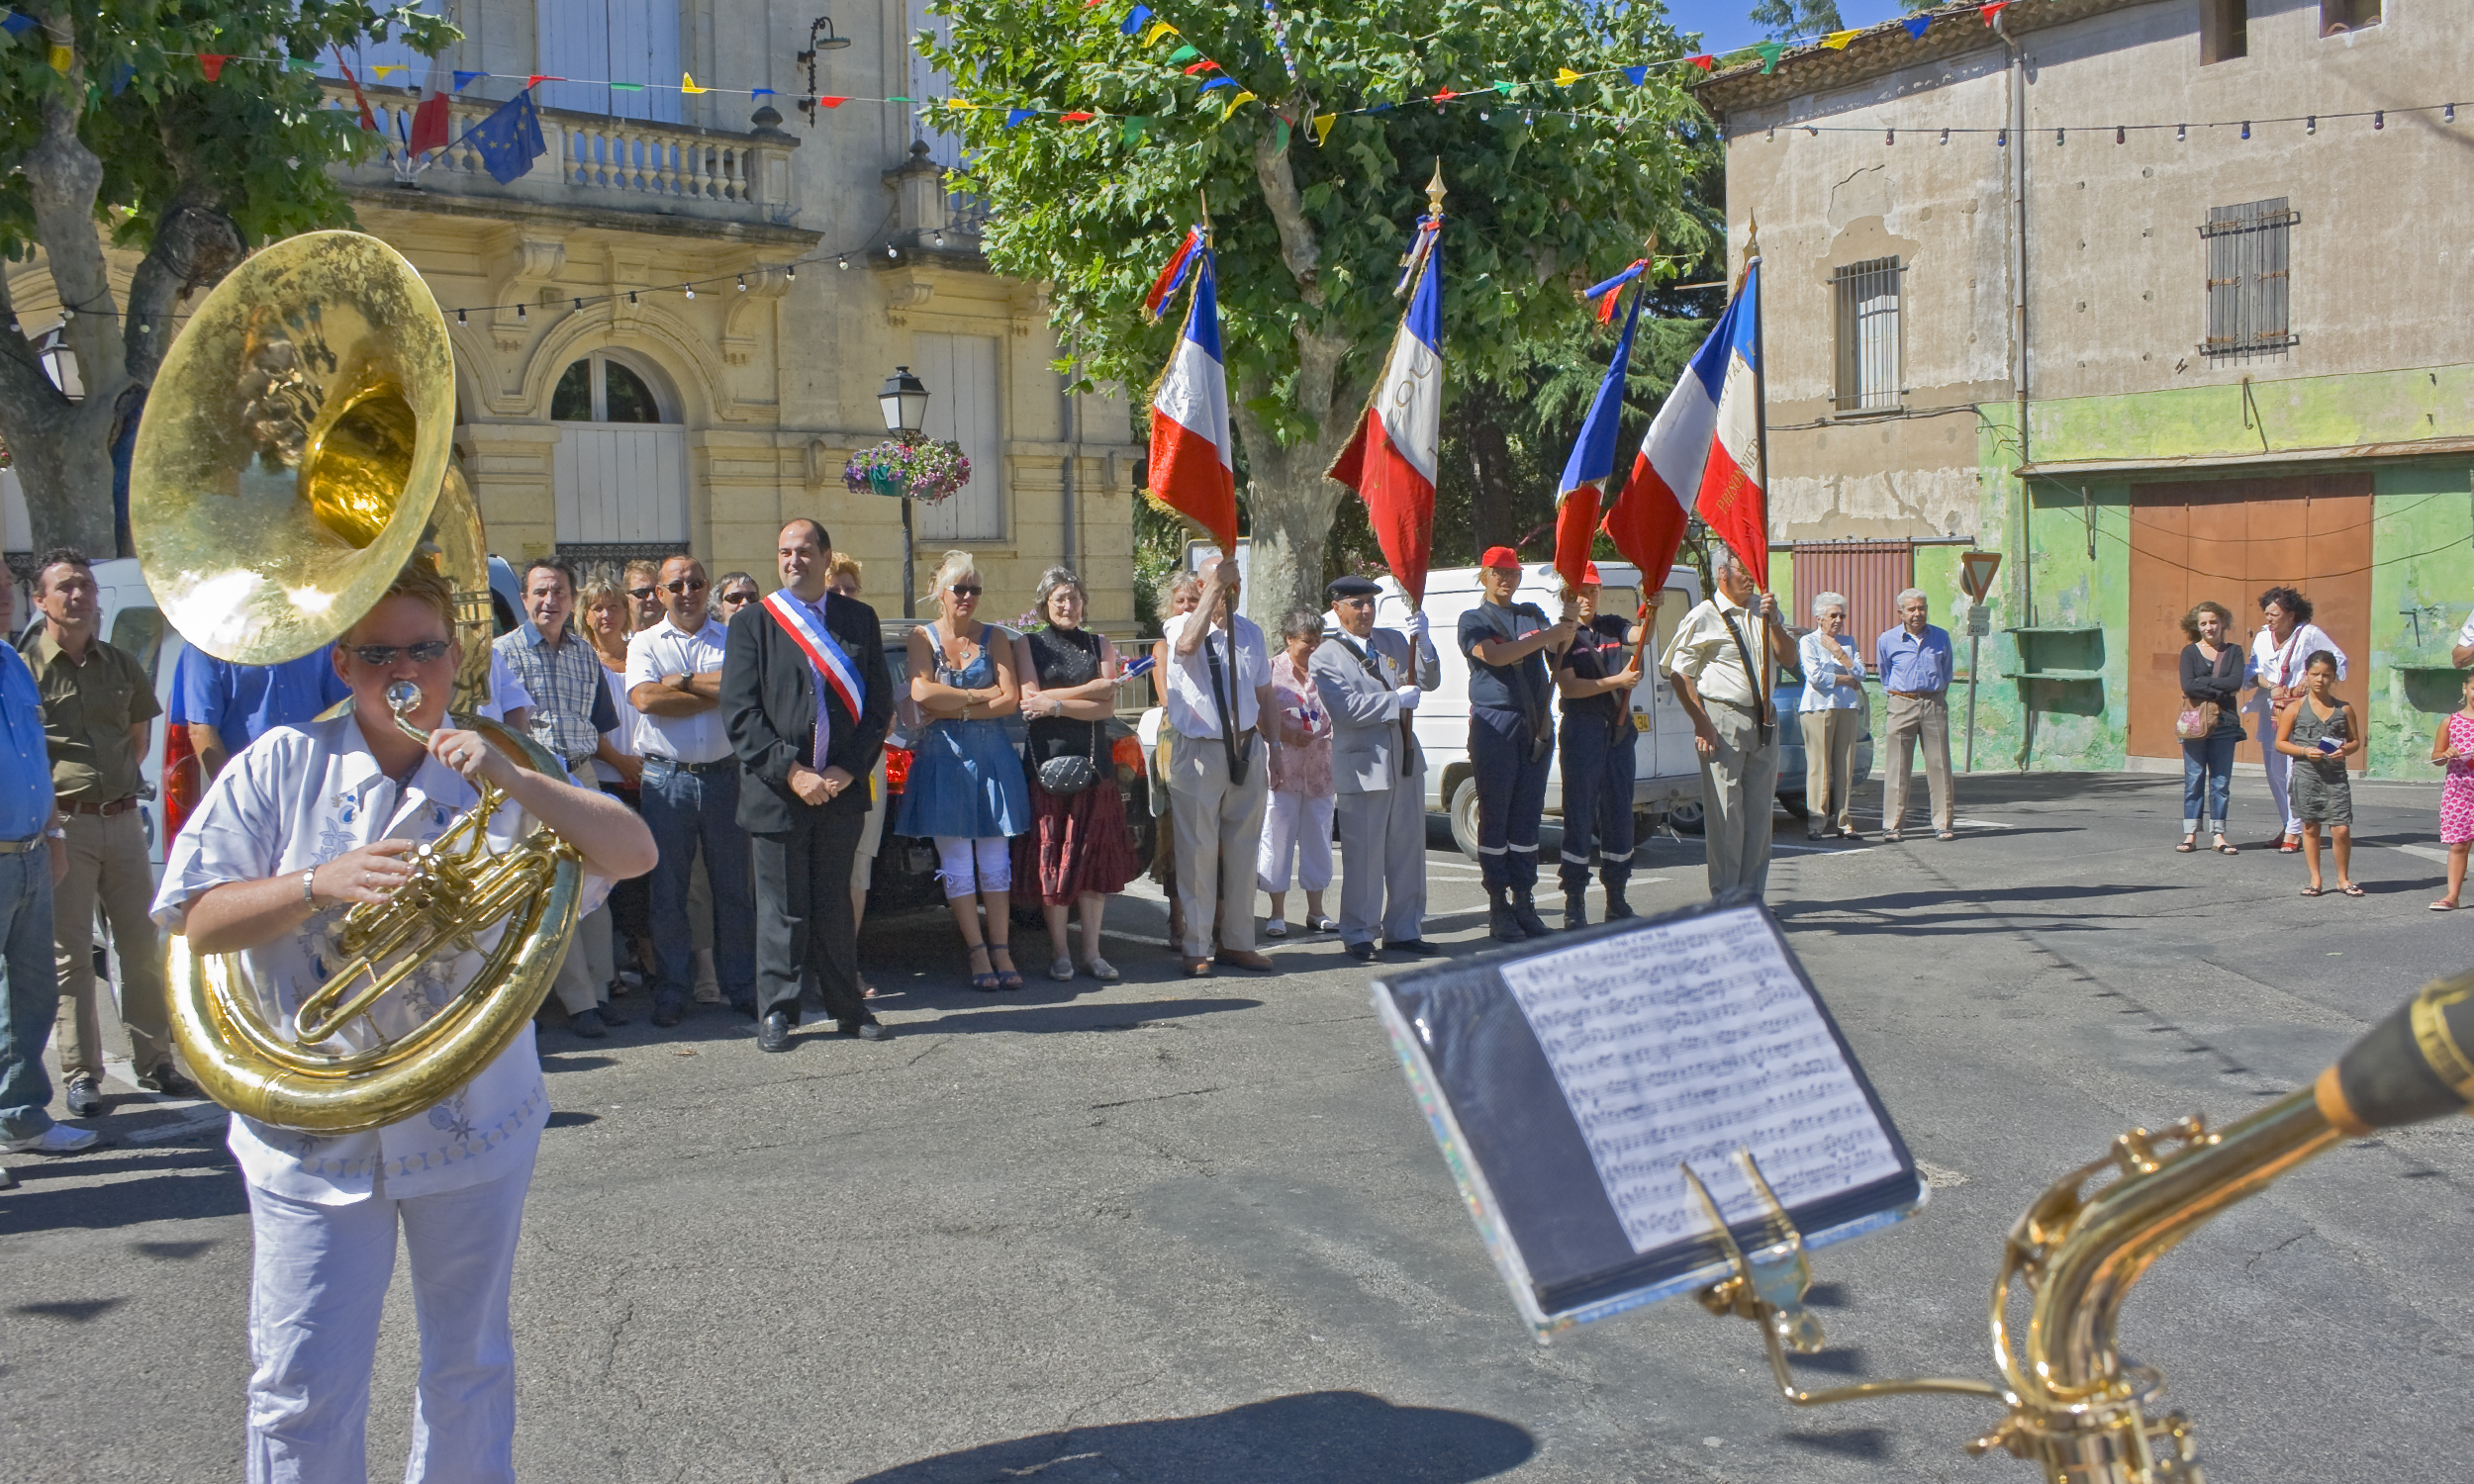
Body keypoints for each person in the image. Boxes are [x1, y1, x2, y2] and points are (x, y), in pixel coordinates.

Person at [151, 556, 653, 1484]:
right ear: (342, 664)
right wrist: (315, 885)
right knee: (299, 1381)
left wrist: (517, 777)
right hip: (312, 1130)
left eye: (423, 650)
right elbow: (192, 916)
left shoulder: (498, 770)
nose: (403, 674)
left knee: (468, 1364)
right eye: (377, 654)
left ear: (454, 655)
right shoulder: (281, 764)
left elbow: (633, 849)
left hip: (470, 1122)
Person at [19, 549, 196, 1117]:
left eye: (86, 587)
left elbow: (138, 740)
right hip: (62, 826)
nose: (79, 597)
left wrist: (115, 792)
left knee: (141, 946)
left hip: (121, 819)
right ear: (39, 600)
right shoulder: (26, 669)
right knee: (69, 954)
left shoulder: (121, 664)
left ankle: (155, 1062)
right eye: (65, 588)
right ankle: (81, 1074)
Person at [724, 519, 895, 1051]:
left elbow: (877, 708)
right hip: (778, 791)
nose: (792, 560)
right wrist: (793, 771)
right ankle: (777, 1011)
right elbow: (741, 714)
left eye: (803, 551)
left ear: (825, 557)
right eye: (784, 552)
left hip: (841, 790)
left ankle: (848, 1006)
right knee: (782, 909)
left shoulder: (858, 619)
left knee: (834, 905)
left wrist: (848, 768)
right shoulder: (754, 623)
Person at [496, 557, 632, 1038]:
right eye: (539, 593)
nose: (549, 601)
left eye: (558, 593)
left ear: (572, 601)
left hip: (583, 776)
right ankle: (578, 1002)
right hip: (537, 786)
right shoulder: (502, 654)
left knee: (599, 886)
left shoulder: (585, 655)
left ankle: (600, 987)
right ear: (526, 598)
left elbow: (597, 725)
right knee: (561, 893)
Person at [626, 555, 755, 1026]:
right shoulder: (643, 642)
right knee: (668, 892)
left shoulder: (733, 637)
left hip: (725, 775)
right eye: (676, 585)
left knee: (733, 890)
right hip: (666, 780)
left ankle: (740, 985)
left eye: (696, 583)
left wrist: (678, 683)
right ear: (659, 593)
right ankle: (673, 989)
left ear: (706, 588)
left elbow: (743, 691)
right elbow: (645, 699)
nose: (687, 592)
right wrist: (710, 691)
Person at [895, 551, 1033, 990]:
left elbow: (1009, 699)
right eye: (960, 588)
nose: (968, 597)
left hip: (992, 757)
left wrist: (952, 704)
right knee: (956, 862)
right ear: (940, 592)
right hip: (943, 760)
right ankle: (976, 952)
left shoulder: (994, 638)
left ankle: (1001, 949)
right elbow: (920, 691)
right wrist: (978, 698)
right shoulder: (922, 636)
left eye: (975, 589)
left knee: (994, 859)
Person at [1, 572, 92, 1157]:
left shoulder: (11, 662)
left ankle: (19, 1115)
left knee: (30, 995)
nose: (4, 596)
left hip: (30, 854)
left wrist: (54, 832)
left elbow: (37, 757)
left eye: (6, 586)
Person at [1013, 566, 1139, 982]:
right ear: (1045, 604)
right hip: (1045, 765)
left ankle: (1092, 952)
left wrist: (1055, 704)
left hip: (1092, 766)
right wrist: (1081, 692)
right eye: (1059, 599)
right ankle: (1060, 953)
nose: (1068, 606)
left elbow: (1106, 706)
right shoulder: (1029, 645)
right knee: (1054, 861)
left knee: (1091, 861)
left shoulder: (1098, 643)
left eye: (1074, 598)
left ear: (1084, 601)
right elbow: (1028, 699)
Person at [1310, 575, 1442, 962]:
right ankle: (1359, 933)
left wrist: (1428, 644)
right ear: (1337, 608)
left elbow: (1428, 680)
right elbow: (1345, 710)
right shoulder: (1325, 655)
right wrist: (1393, 700)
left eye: (1370, 602)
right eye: (1356, 603)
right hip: (1363, 764)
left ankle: (1404, 929)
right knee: (1364, 855)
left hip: (1403, 759)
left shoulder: (1394, 641)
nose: (1366, 610)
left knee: (1408, 851)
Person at [1162, 555, 1276, 975]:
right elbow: (1187, 646)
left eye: (1236, 582)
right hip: (1200, 749)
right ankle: (1195, 946)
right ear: (1202, 584)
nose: (1231, 589)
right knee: (1198, 851)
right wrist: (1210, 593)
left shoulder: (1250, 633)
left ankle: (1238, 941)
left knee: (1245, 851)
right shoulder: (1182, 624)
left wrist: (1275, 746)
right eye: (1222, 581)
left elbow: (1265, 694)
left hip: (1247, 746)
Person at [1665, 549, 1792, 897]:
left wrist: (1775, 621)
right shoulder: (1705, 615)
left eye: (1753, 570)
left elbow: (1790, 658)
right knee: (1726, 815)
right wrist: (1701, 722)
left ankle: (1751, 898)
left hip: (1764, 718)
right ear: (1723, 572)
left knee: (1759, 815)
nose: (1750, 577)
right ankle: (1726, 897)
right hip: (1724, 717)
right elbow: (1679, 673)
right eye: (1743, 570)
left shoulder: (1761, 612)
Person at [1460, 548, 1573, 940]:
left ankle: (1524, 900)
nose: (1505, 579)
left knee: (1527, 815)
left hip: (1535, 721)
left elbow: (1557, 649)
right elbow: (1494, 655)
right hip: (1496, 721)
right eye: (1497, 572)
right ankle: (1498, 904)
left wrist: (1567, 626)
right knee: (1497, 815)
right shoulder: (1473, 619)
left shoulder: (1530, 613)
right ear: (1484, 575)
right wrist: (1548, 635)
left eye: (1511, 572)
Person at [1552, 565, 1648, 927]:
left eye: (1592, 591)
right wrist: (1617, 681)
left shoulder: (1609, 624)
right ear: (1566, 595)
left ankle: (1616, 896)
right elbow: (1570, 687)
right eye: (1579, 591)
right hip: (1583, 727)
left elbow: (1640, 635)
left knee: (1619, 813)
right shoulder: (1561, 636)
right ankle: (1574, 900)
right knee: (1579, 812)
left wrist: (1652, 605)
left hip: (1618, 729)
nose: (1586, 599)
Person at [579, 579, 653, 986]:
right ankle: (614, 966)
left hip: (648, 778)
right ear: (586, 616)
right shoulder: (583, 660)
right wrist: (621, 762)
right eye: (597, 609)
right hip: (607, 779)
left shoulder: (642, 652)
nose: (606, 616)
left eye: (613, 607)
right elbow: (588, 728)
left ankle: (647, 954)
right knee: (611, 880)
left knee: (647, 876)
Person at [826, 555, 888, 996]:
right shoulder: (803, 639)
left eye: (851, 589)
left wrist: (852, 764)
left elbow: (883, 705)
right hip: (814, 769)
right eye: (836, 590)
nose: (845, 597)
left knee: (857, 871)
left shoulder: (867, 632)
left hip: (865, 765)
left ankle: (847, 967)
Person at [1257, 608, 1337, 940]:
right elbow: (1257, 716)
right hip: (1283, 768)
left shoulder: (1329, 672)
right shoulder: (1271, 672)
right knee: (1277, 838)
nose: (1314, 647)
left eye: (1318, 640)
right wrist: (1285, 736)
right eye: (1307, 641)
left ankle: (1316, 911)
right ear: (1289, 640)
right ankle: (1276, 914)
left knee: (1319, 839)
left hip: (1321, 769)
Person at [2249, 586, 2346, 854]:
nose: (2269, 618)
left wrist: (2309, 678)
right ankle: (2287, 823)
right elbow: (2252, 670)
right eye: (2266, 613)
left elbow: (2337, 659)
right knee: (2275, 772)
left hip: (2303, 711)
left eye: (2274, 613)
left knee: (2296, 771)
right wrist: (2269, 685)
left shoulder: (2310, 635)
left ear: (2291, 614)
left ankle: (2295, 829)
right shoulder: (2261, 638)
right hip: (2272, 710)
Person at [178, 643, 350, 783]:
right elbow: (201, 730)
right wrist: (233, 794)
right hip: (249, 781)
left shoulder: (319, 638)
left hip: (315, 778)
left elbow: (342, 712)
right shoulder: (206, 642)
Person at [2273, 650, 2361, 897]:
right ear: (2306, 675)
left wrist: (2344, 750)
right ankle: (2315, 879)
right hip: (2306, 774)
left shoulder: (2344, 709)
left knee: (2341, 827)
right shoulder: (2295, 708)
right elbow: (2281, 743)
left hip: (2335, 776)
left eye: (2326, 675)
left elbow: (2355, 741)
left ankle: (2343, 878)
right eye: (2315, 674)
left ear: (2334, 677)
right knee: (2310, 827)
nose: (2320, 680)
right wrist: (2303, 750)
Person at [1875, 588, 1956, 843]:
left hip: (1933, 703)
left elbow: (1946, 671)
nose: (1917, 613)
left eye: (1921, 608)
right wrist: (1901, 696)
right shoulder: (1887, 640)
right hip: (1902, 703)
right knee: (1897, 766)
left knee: (1939, 764)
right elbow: (1884, 674)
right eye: (1911, 609)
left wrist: (1935, 695)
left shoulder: (1940, 637)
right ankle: (1893, 826)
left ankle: (1943, 823)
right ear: (1901, 613)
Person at [1149, 572, 1201, 947]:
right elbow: (1169, 697)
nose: (1186, 607)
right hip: (1177, 738)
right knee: (1175, 830)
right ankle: (1177, 918)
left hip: (1213, 737)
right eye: (1180, 601)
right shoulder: (1162, 647)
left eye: (1193, 601)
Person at [2176, 601, 2246, 856]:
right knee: (2194, 779)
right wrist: (2220, 687)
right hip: (2194, 724)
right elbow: (2188, 686)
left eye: (2214, 622)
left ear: (2223, 623)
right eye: (2204, 623)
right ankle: (2190, 834)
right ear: (2198, 626)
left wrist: (2205, 683)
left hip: (2225, 724)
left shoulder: (2234, 651)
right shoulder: (2189, 652)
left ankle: (2219, 835)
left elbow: (2236, 681)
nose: (2209, 627)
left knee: (2220, 782)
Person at [1795, 592, 1865, 842]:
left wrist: (1839, 653)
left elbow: (1862, 673)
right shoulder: (1808, 642)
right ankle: (1816, 822)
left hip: (1846, 707)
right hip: (1817, 707)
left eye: (1841, 615)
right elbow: (1816, 678)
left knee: (1844, 765)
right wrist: (1846, 679)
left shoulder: (1847, 641)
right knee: (1819, 767)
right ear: (1819, 618)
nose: (1838, 620)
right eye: (1832, 615)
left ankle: (1844, 821)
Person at [2427, 672, 2474, 911]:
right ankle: (2452, 896)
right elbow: (2436, 757)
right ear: (2465, 688)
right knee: (2458, 845)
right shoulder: (2451, 722)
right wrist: (2445, 754)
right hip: (2460, 792)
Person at [623, 558, 666, 634]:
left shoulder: (678, 638)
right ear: (627, 598)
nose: (652, 598)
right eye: (642, 593)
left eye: (656, 591)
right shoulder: (617, 640)